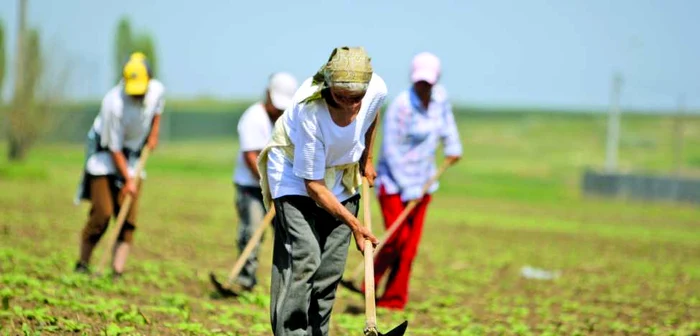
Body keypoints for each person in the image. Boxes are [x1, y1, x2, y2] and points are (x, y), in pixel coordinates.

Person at [257, 46, 384, 335]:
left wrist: (368, 157)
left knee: (329, 270)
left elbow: (372, 113)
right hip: (295, 175)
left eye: (357, 98)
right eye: (343, 97)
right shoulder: (309, 111)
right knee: (305, 257)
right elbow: (313, 186)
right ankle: (291, 331)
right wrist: (355, 225)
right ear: (329, 86)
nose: (352, 106)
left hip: (341, 173)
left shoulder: (375, 89)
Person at [370, 52, 462, 310]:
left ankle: (393, 300)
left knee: (409, 247)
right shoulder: (401, 105)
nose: (424, 86)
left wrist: (453, 147)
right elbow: (390, 150)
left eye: (429, 82)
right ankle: (369, 282)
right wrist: (407, 188)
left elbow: (447, 126)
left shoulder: (440, 100)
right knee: (396, 238)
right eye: (420, 81)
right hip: (394, 184)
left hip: (424, 181)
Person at [73, 52, 165, 279]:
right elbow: (113, 148)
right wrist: (127, 180)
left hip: (133, 157)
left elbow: (157, 111)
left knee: (128, 219)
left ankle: (117, 271)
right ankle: (82, 264)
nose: (138, 94)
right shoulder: (113, 104)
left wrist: (153, 134)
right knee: (102, 214)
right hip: (105, 157)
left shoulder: (157, 91)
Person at [231, 72, 298, 291]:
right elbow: (251, 157)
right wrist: (268, 185)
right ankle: (245, 279)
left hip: (280, 189)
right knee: (251, 232)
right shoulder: (253, 118)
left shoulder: (289, 119)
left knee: (287, 234)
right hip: (252, 188)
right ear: (268, 94)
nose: (278, 110)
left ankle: (288, 283)